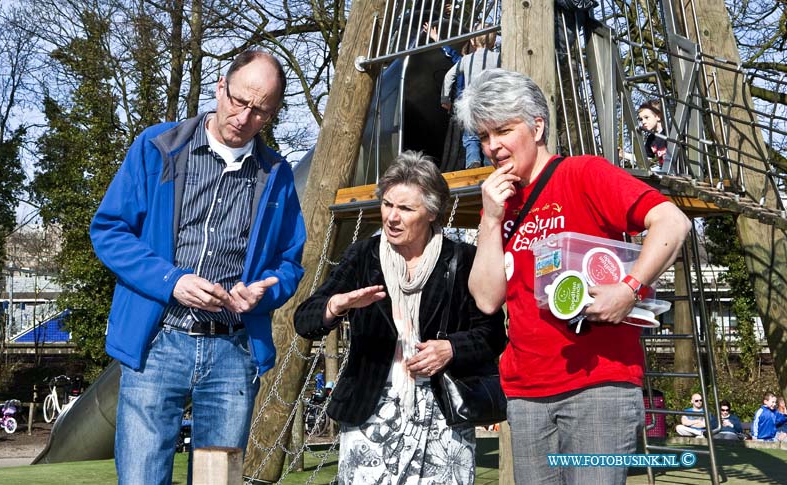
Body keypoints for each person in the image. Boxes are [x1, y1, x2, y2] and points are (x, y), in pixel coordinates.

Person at [457, 69, 691, 484]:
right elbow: (486, 299)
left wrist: (629, 289)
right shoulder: (501, 204)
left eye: (504, 131)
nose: (493, 147)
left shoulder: (583, 173)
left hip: (597, 383)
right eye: (484, 136)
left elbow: (672, 223)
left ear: (537, 126)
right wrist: (490, 219)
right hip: (526, 391)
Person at [90, 49, 307, 484]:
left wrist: (265, 289)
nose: (244, 117)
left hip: (233, 351)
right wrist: (173, 281)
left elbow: (289, 263)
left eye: (260, 110)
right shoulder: (157, 148)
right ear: (219, 88)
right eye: (239, 101)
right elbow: (109, 231)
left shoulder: (277, 175)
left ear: (272, 115)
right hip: (157, 343)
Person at [294, 151, 507, 484]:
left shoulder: (461, 259)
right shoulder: (363, 255)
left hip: (443, 414)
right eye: (387, 204)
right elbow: (305, 319)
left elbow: (493, 335)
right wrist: (337, 305)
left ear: (432, 212)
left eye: (406, 208)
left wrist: (450, 348)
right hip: (370, 411)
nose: (392, 217)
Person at [441, 26, 501, 169]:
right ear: (493, 42)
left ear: (473, 41)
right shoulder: (499, 58)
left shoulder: (467, 59)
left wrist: (445, 99)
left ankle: (472, 161)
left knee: (470, 137)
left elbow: (449, 76)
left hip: (471, 104)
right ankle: (489, 163)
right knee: (489, 134)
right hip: (491, 104)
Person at [638, 99, 668, 170]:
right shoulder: (651, 139)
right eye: (641, 119)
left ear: (658, 117)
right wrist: (624, 154)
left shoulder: (670, 133)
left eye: (646, 117)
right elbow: (644, 158)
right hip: (664, 171)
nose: (643, 122)